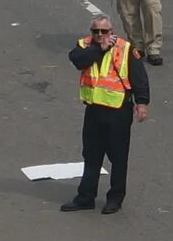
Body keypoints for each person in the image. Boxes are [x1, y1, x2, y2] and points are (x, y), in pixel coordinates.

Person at [63, 13, 147, 215]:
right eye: (96, 31)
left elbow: (139, 76)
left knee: (118, 157)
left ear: (112, 31)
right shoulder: (86, 46)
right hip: (94, 110)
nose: (100, 34)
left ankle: (115, 198)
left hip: (118, 111)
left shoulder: (125, 49)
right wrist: (98, 49)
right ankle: (85, 197)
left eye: (104, 31)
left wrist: (142, 103)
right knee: (91, 155)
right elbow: (77, 60)